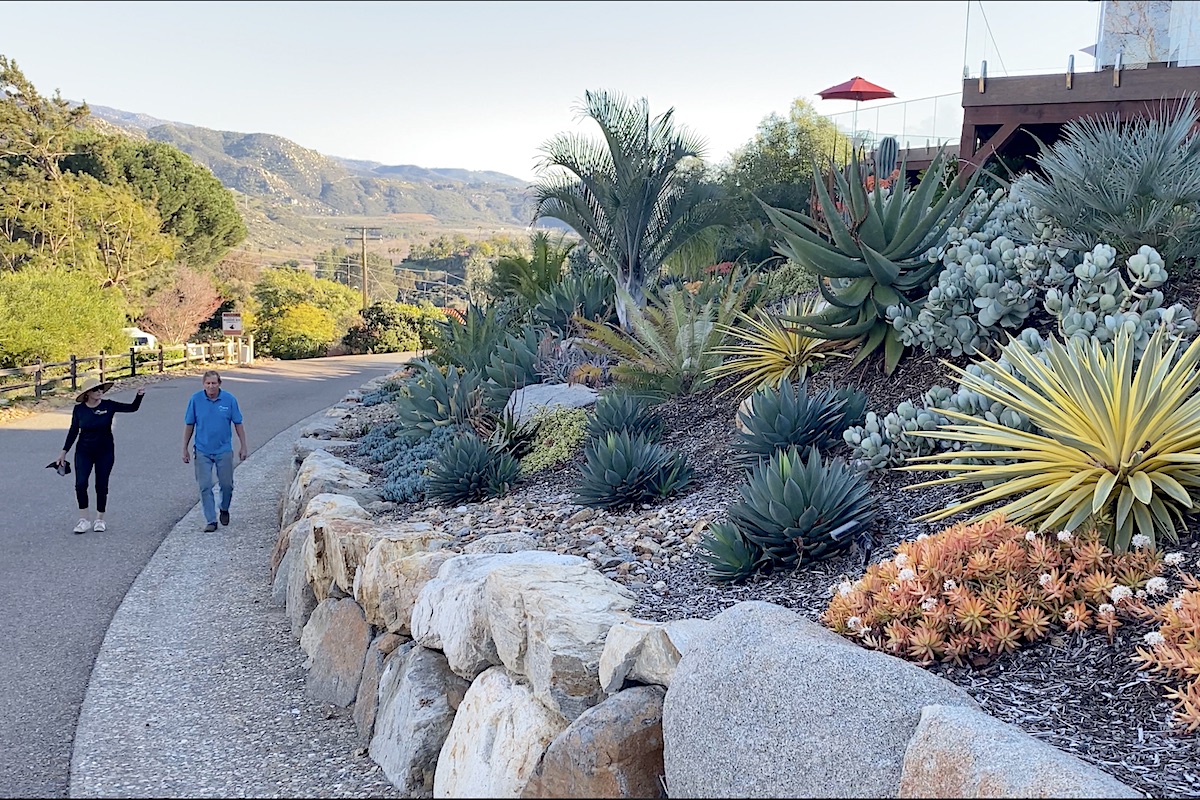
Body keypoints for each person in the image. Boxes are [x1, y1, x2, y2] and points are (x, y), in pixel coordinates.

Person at [57, 378, 145, 534]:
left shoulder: (108, 405)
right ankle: (84, 519)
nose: (100, 392)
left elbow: (132, 408)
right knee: (81, 484)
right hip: (84, 451)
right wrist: (64, 452)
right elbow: (73, 431)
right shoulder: (79, 410)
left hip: (105, 451)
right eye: (96, 389)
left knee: (101, 485)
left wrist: (139, 395)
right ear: (88, 393)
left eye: (101, 389)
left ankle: (100, 519)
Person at [183, 370, 248, 532]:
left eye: (214, 383)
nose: (211, 386)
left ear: (219, 384)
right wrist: (184, 448)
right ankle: (211, 520)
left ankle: (224, 508)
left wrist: (243, 445)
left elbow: (238, 423)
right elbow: (189, 424)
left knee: (227, 485)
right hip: (202, 450)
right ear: (203, 384)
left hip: (223, 449)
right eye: (208, 383)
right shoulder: (196, 400)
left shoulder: (229, 400)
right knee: (204, 485)